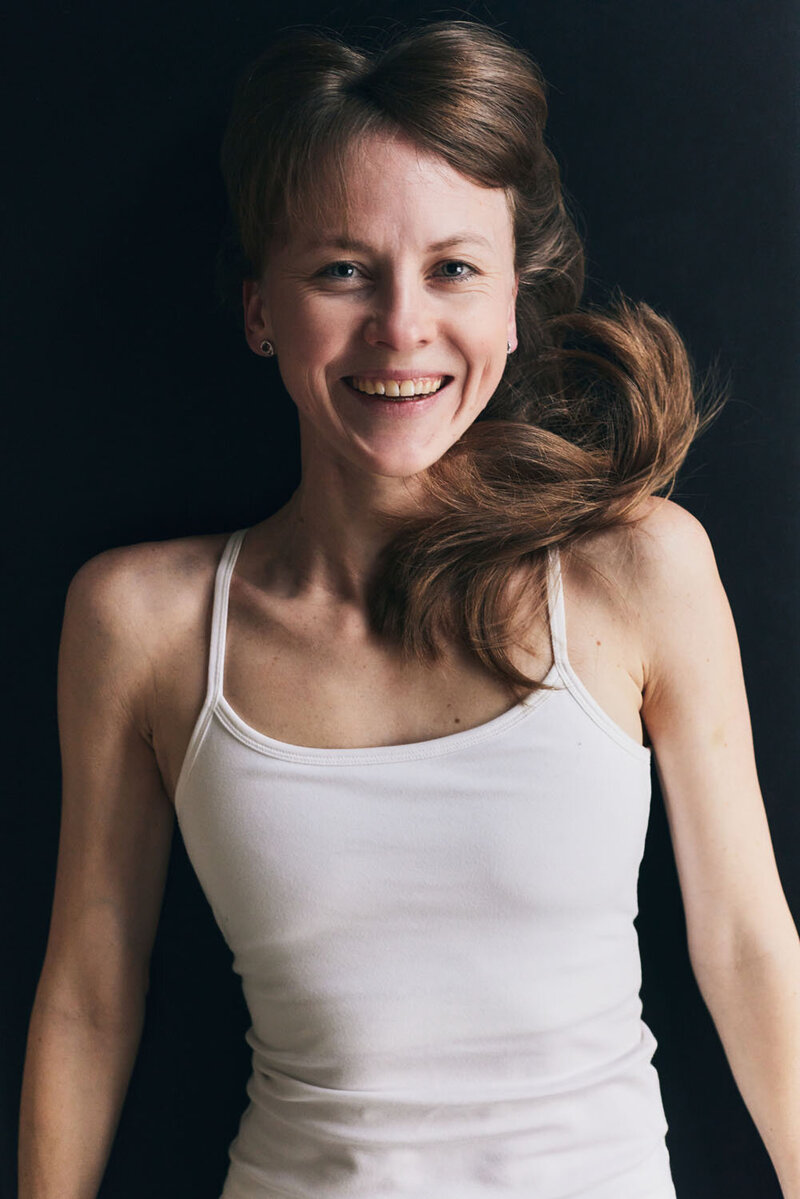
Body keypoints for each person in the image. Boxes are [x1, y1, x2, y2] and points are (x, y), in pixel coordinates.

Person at [17, 17, 800, 1199]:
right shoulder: (143, 621)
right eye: (341, 268)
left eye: (452, 269)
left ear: (509, 303)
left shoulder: (639, 570)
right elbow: (86, 995)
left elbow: (747, 951)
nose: (400, 327)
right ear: (258, 307)